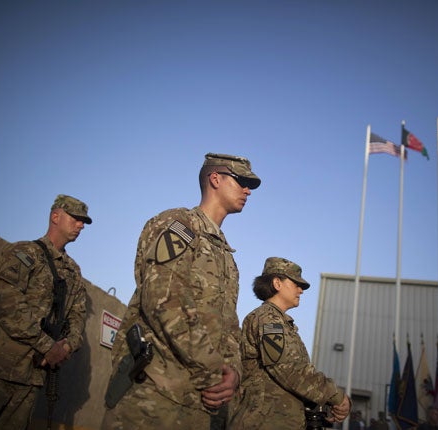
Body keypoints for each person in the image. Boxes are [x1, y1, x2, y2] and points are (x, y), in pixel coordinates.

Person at [103, 153, 261, 429]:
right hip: (154, 398)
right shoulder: (179, 226)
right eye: (242, 181)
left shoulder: (226, 256)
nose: (247, 190)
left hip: (198, 405)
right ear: (215, 179)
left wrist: (233, 372)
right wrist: (213, 371)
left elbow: (229, 327)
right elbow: (163, 300)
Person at [0, 194, 91, 430]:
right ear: (55, 216)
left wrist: (66, 347)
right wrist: (47, 345)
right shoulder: (24, 252)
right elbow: (7, 303)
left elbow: (77, 319)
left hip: (31, 379)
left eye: (83, 222)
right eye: (76, 218)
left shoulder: (74, 273)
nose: (80, 225)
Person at [230, 257, 351, 430]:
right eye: (296, 284)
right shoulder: (267, 319)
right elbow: (288, 369)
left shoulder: (280, 322)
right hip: (263, 422)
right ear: (277, 283)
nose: (301, 290)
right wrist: (335, 395)